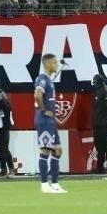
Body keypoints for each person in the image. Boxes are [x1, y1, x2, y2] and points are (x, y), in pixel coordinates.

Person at [34, 54, 67, 193]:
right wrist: (44, 110)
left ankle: (54, 184)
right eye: (54, 62)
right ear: (47, 64)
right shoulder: (42, 79)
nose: (56, 65)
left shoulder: (48, 80)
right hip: (44, 120)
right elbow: (37, 95)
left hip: (51, 121)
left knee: (57, 151)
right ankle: (44, 185)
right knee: (45, 150)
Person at [92, 74, 107, 173]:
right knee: (98, 145)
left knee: (105, 145)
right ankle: (100, 167)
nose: (94, 83)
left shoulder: (105, 91)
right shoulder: (97, 91)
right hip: (97, 122)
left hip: (104, 123)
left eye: (95, 81)